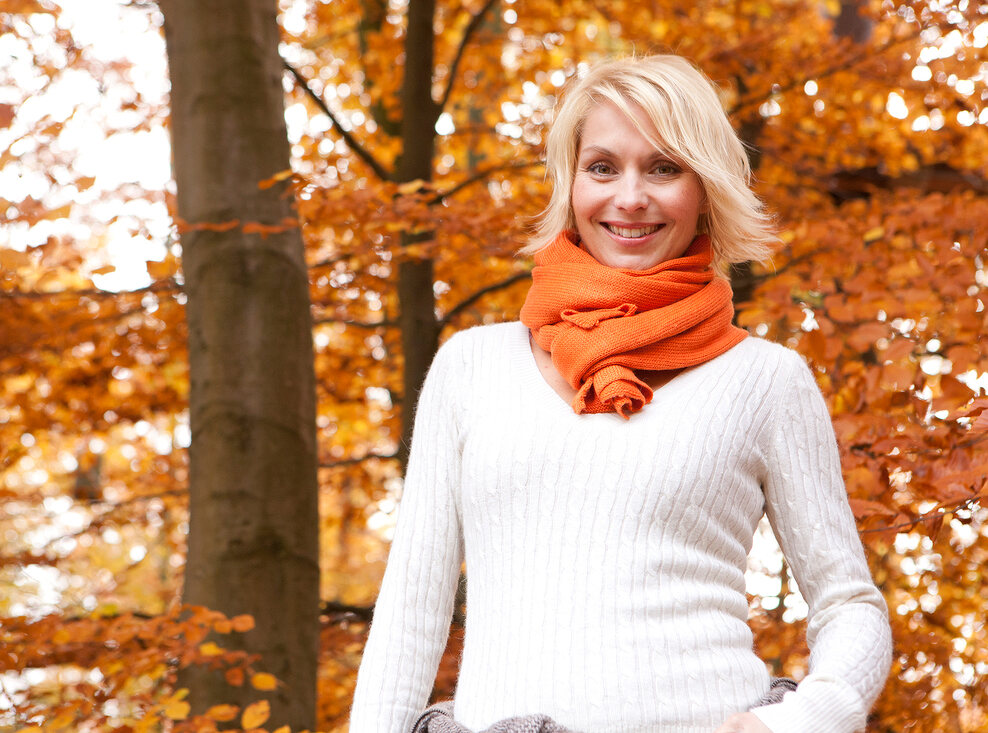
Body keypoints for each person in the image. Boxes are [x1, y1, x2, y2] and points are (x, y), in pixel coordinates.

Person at [349, 55, 891, 733]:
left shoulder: (768, 380)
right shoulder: (471, 367)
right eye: (602, 166)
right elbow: (409, 613)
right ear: (570, 182)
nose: (629, 197)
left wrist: (806, 718)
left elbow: (849, 603)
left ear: (705, 189)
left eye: (663, 167)